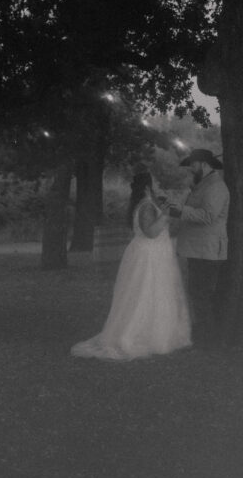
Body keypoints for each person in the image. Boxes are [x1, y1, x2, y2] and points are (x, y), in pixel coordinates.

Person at [71, 172, 191, 360]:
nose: (158, 185)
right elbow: (151, 232)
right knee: (144, 293)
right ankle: (140, 335)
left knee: (152, 294)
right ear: (147, 186)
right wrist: (166, 215)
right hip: (148, 257)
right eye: (155, 182)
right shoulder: (146, 206)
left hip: (152, 255)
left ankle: (154, 333)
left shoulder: (149, 204)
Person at [167, 149, 230, 346]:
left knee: (201, 295)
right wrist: (177, 210)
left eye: (193, 165)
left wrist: (181, 210)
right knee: (198, 293)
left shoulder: (216, 187)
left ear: (204, 164)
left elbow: (208, 216)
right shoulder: (203, 185)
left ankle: (207, 340)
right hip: (199, 250)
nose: (191, 169)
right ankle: (203, 336)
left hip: (208, 251)